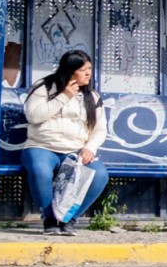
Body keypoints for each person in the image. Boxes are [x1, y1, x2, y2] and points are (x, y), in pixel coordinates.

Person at [21, 49, 112, 235]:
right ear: (71, 71)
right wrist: (64, 96)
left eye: (90, 69)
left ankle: (69, 218)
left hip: (75, 150)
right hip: (42, 147)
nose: (88, 73)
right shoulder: (44, 87)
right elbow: (33, 116)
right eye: (83, 69)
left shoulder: (91, 96)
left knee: (99, 174)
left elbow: (100, 129)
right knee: (40, 170)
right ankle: (50, 218)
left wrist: (89, 148)